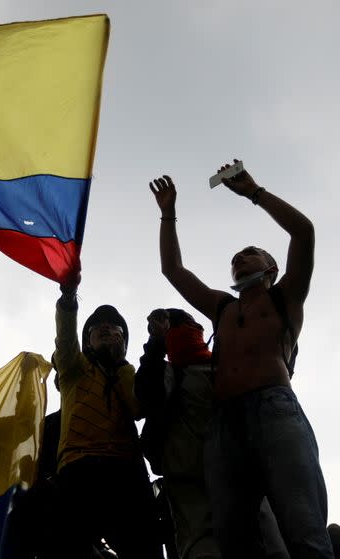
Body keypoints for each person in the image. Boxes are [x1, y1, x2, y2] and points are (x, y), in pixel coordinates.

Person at [149, 161, 332, 557]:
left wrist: (254, 192)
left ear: (272, 267)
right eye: (236, 256)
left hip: (275, 410)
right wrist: (168, 213)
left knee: (303, 527)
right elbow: (173, 269)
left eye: (250, 253)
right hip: (224, 424)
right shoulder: (222, 307)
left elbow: (304, 231)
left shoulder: (285, 297)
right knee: (235, 539)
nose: (240, 257)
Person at [135, 308, 288, 559]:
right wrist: (155, 345)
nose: (181, 332)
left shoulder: (228, 368)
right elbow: (147, 396)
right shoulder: (168, 373)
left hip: (244, 482)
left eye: (181, 324)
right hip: (192, 487)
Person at [51, 275, 163, 558]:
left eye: (115, 328)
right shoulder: (73, 369)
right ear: (86, 341)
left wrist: (121, 362)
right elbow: (65, 338)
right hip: (78, 468)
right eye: (97, 327)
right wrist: (68, 299)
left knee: (144, 549)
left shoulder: (127, 374)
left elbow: (138, 409)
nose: (106, 327)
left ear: (124, 342)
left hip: (127, 471)